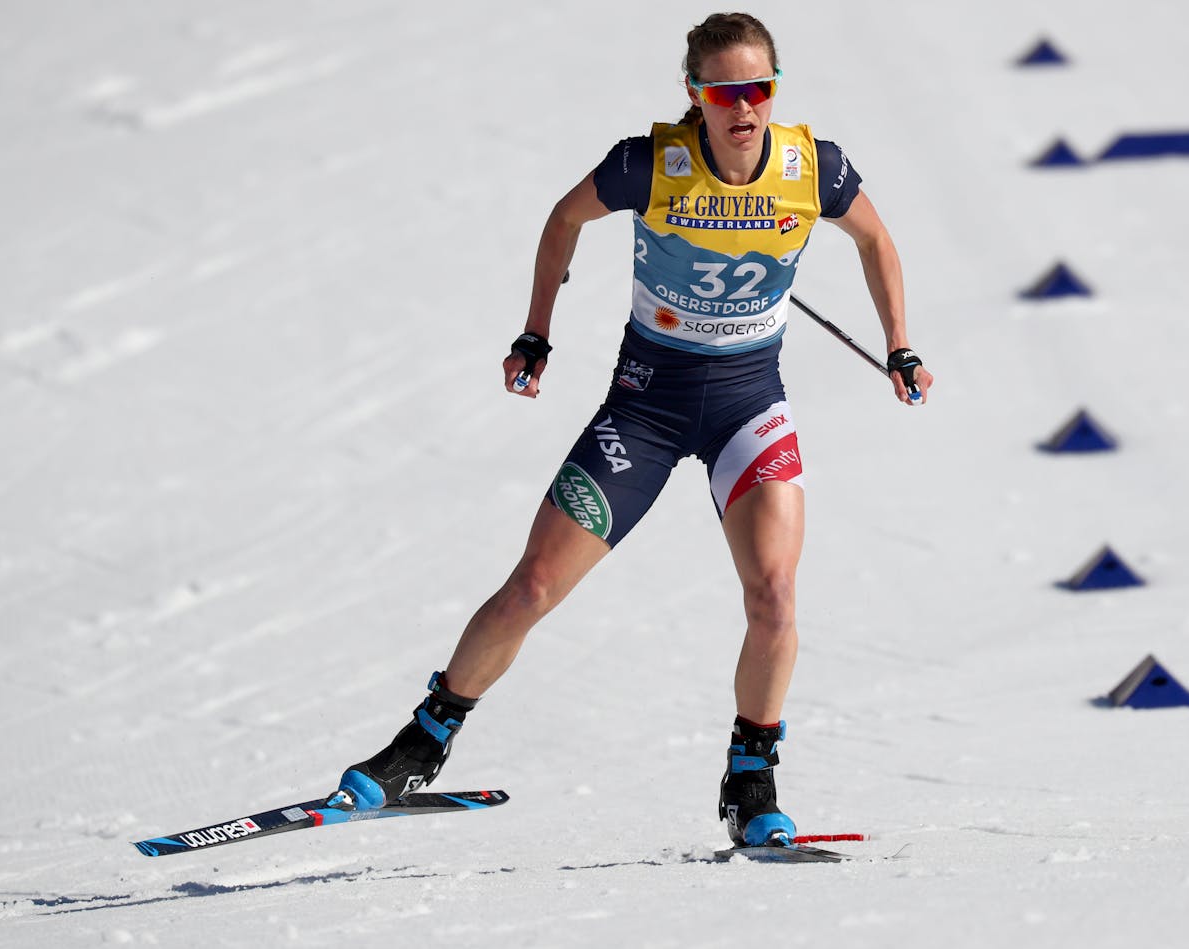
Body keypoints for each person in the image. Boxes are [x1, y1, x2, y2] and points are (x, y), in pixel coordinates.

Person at [332, 12, 934, 848]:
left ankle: (750, 780)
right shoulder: (651, 165)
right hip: (645, 406)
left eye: (759, 88)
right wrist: (537, 332)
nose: (744, 108)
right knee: (534, 586)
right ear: (695, 95)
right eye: (724, 91)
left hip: (748, 405)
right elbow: (562, 219)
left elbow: (876, 239)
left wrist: (899, 342)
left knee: (775, 594)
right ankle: (423, 738)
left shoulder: (811, 169)